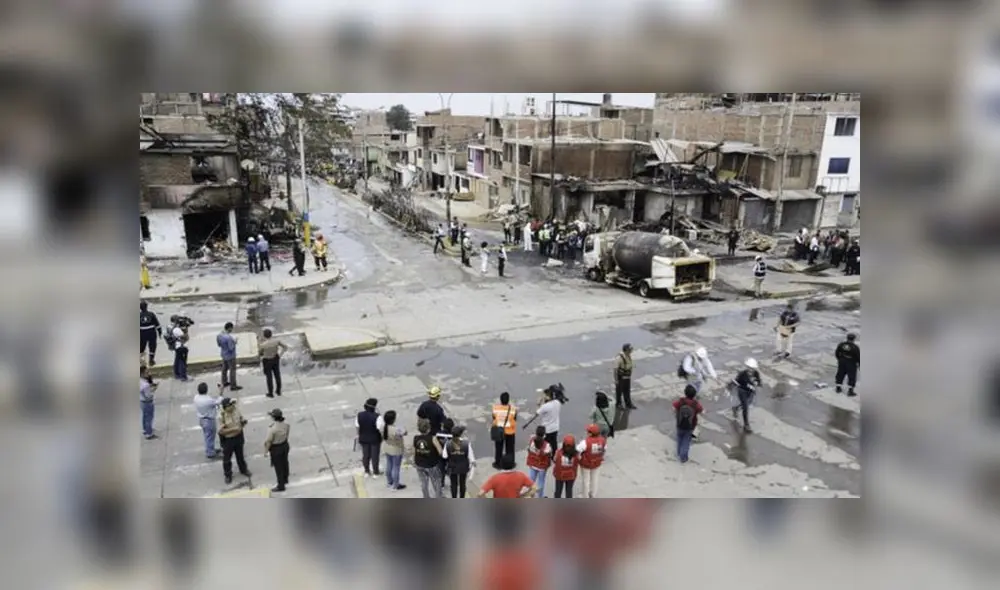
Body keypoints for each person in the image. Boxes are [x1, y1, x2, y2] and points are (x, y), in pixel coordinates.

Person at [218, 397, 252, 484]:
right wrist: (234, 429)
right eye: (231, 405)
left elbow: (241, 418)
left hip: (239, 437)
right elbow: (221, 431)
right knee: (227, 459)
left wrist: (243, 422)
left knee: (240, 455)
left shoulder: (236, 410)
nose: (233, 406)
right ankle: (228, 475)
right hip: (228, 440)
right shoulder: (221, 416)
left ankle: (243, 469)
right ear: (226, 407)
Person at [525, 387, 562, 459]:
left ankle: (545, 456)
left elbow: (537, 413)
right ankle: (554, 456)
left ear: (548, 396)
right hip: (555, 427)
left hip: (547, 429)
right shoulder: (558, 403)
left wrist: (539, 403)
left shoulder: (545, 406)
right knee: (554, 442)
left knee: (545, 444)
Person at [412, 418, 444, 498]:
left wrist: (414, 461)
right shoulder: (433, 438)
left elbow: (414, 451)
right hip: (431, 464)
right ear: (429, 428)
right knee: (436, 481)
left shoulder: (416, 438)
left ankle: (426, 497)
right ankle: (438, 496)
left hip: (419, 463)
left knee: (423, 482)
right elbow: (440, 452)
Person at [673, 384, 704, 463]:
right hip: (690, 426)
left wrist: (676, 414)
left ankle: (679, 453)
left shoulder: (681, 401)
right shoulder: (695, 404)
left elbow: (674, 407)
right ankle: (683, 457)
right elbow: (701, 411)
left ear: (685, 393)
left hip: (679, 424)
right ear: (694, 395)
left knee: (679, 438)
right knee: (686, 441)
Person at [442, 424, 475, 498]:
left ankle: (454, 497)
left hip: (452, 467)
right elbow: (471, 456)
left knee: (453, 484)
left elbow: (444, 456)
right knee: (462, 483)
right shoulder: (466, 444)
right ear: (461, 434)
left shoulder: (448, 443)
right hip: (463, 467)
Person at [731, 358, 762, 433]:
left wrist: (758, 384)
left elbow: (759, 381)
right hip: (742, 391)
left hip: (750, 392)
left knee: (748, 403)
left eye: (752, 369)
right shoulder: (742, 374)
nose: (750, 370)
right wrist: (730, 387)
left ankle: (736, 408)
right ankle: (746, 425)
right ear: (747, 367)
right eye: (749, 368)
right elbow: (735, 381)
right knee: (745, 407)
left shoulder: (756, 373)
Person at [193, 382, 223, 459]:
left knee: (207, 436)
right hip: (209, 420)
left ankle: (210, 449)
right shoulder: (208, 400)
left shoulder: (196, 397)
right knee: (210, 436)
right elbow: (218, 401)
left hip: (202, 419)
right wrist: (221, 391)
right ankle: (210, 452)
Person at [577, 423, 608, 498]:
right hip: (597, 463)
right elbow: (605, 449)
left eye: (588, 431)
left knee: (586, 480)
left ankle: (585, 495)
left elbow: (577, 450)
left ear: (590, 433)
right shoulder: (602, 440)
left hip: (586, 464)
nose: (587, 432)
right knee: (594, 479)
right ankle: (593, 494)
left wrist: (579, 458)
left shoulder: (585, 442)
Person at [264, 408, 290, 492]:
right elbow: (287, 434)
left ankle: (281, 485)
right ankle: (285, 478)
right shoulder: (286, 424)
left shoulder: (272, 428)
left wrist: (266, 451)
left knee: (278, 467)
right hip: (284, 445)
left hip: (276, 448)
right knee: (285, 462)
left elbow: (268, 441)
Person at [381, 410, 407, 491]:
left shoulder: (383, 427)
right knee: (396, 468)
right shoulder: (395, 429)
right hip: (396, 450)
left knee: (389, 465)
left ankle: (390, 482)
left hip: (387, 447)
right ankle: (396, 485)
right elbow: (404, 433)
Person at [355, 397, 382, 478]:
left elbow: (357, 426)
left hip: (363, 438)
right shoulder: (377, 417)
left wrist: (359, 435)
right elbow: (380, 429)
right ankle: (375, 472)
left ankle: (367, 471)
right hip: (374, 439)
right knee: (375, 456)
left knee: (365, 455)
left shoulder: (359, 415)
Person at [258, 328, 288, 398]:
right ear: (271, 334)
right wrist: (280, 355)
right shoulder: (276, 341)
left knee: (269, 377)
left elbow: (260, 352)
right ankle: (278, 390)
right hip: (275, 358)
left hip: (267, 360)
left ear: (264, 336)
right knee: (277, 375)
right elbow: (285, 347)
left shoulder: (264, 345)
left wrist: (259, 341)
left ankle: (270, 393)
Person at [491, 392, 518, 469]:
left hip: (499, 431)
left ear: (500, 400)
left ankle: (498, 463)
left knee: (498, 448)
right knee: (510, 448)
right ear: (508, 400)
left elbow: (493, 417)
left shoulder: (495, 408)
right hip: (510, 431)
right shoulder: (513, 409)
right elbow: (515, 419)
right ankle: (511, 463)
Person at [525, 426, 552, 498]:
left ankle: (530, 496)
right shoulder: (547, 445)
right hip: (542, 467)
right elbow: (549, 455)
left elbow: (528, 449)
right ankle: (540, 497)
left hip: (533, 464)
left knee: (531, 482)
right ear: (544, 434)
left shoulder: (531, 441)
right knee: (541, 483)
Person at [216, 322, 242, 390]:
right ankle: (233, 385)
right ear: (229, 328)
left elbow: (219, 345)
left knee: (224, 369)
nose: (232, 330)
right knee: (232, 370)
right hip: (230, 356)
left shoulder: (219, 335)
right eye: (232, 328)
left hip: (224, 354)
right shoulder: (229, 338)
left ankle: (224, 382)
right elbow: (231, 348)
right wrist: (235, 342)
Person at [139, 301, 162, 366]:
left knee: (141, 347)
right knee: (152, 346)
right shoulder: (151, 314)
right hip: (151, 332)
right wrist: (160, 332)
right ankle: (151, 360)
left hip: (142, 333)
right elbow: (157, 324)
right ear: (146, 307)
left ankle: (142, 361)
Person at [614, 343, 637, 409]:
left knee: (627, 391)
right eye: (630, 349)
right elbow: (615, 369)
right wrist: (616, 380)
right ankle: (618, 404)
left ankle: (628, 404)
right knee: (619, 392)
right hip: (621, 377)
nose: (631, 351)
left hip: (627, 377)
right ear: (626, 350)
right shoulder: (619, 358)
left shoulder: (628, 356)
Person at [435, 418, 456, 490]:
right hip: (449, 455)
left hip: (440, 455)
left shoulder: (438, 433)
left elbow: (435, 442)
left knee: (441, 470)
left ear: (443, 426)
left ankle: (442, 484)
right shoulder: (454, 435)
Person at [170, 316, 190, 382]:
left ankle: (177, 374)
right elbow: (186, 337)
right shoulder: (177, 330)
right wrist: (186, 329)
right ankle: (184, 377)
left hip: (177, 347)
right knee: (183, 362)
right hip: (181, 347)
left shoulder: (172, 327)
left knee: (177, 360)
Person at [140, 365, 157, 440]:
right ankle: (149, 433)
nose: (149, 373)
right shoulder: (145, 385)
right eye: (146, 372)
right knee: (149, 418)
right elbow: (148, 396)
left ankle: (145, 429)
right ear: (142, 374)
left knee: (144, 416)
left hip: (141, 401)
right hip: (147, 402)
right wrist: (153, 390)